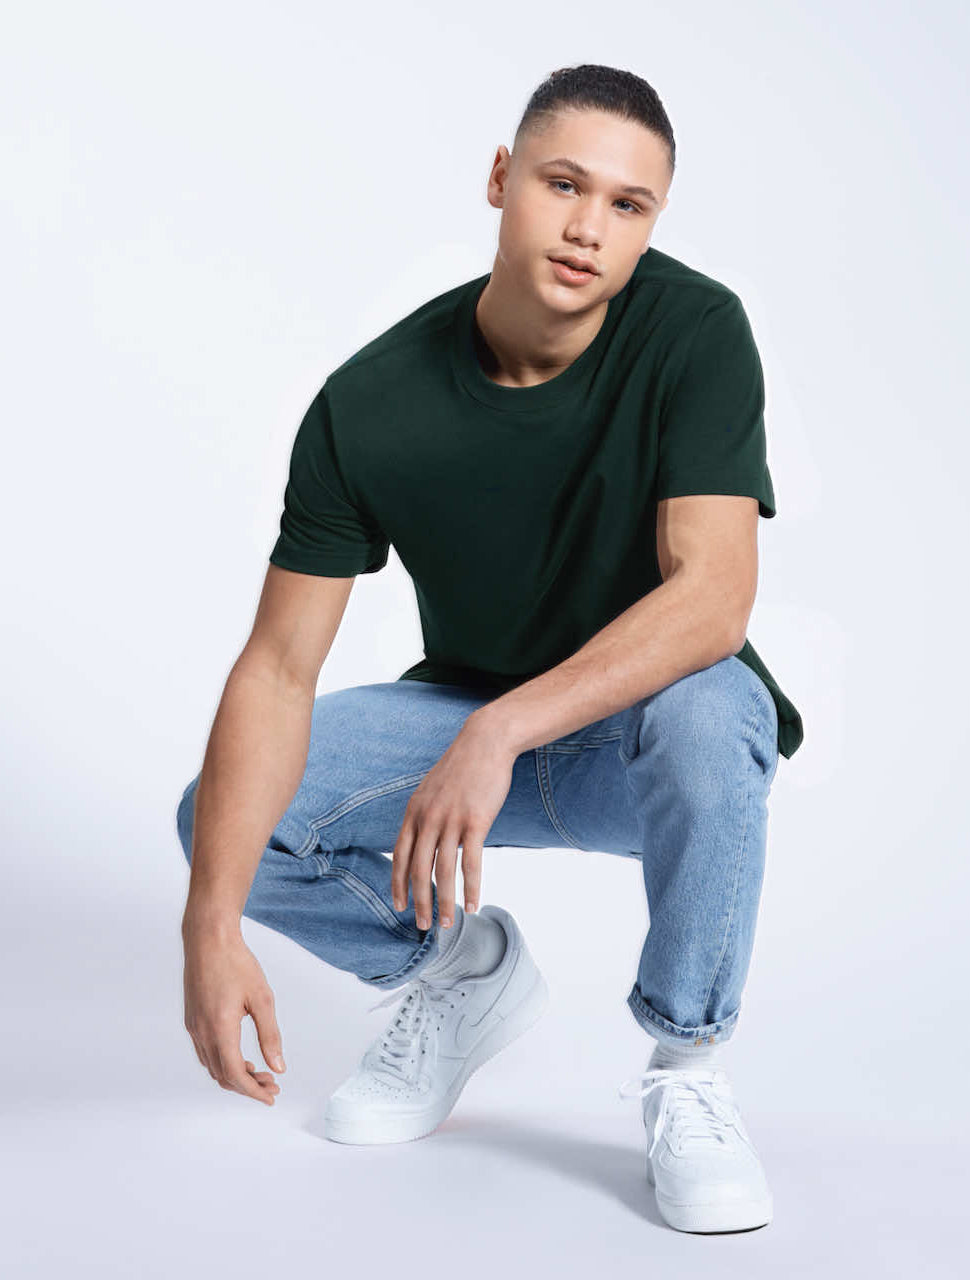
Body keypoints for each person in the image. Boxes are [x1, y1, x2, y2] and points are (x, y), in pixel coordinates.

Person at [174, 63, 804, 1235]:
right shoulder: (369, 403)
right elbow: (275, 670)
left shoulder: (696, 330)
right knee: (222, 815)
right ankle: (459, 978)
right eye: (564, 184)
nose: (589, 228)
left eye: (629, 205)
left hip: (641, 738)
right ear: (501, 178)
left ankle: (686, 1065)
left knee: (717, 708)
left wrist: (503, 726)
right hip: (470, 731)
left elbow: (713, 597)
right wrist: (207, 927)